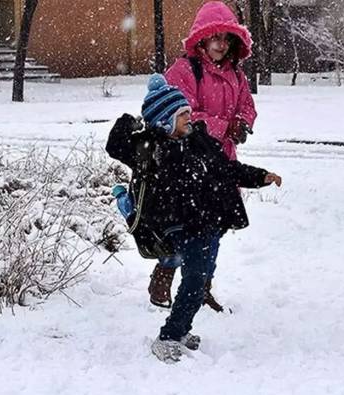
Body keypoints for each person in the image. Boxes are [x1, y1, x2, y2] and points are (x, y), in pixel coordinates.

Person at [106, 74, 282, 363]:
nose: (189, 117)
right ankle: (168, 337)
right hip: (180, 226)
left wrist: (261, 176)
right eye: (182, 114)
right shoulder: (151, 149)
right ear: (164, 120)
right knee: (194, 281)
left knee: (199, 281)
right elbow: (116, 146)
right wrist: (131, 121)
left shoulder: (200, 142)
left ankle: (182, 328)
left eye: (188, 111)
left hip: (209, 222)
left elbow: (229, 169)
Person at [148, 1, 258, 311]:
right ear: (202, 39)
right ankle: (165, 273)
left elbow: (247, 105)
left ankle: (201, 286)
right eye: (215, 37)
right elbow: (180, 115)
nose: (221, 44)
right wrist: (224, 126)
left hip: (222, 161)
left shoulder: (237, 74)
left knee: (216, 227)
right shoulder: (184, 70)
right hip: (189, 163)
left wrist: (243, 124)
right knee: (186, 226)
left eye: (226, 38)